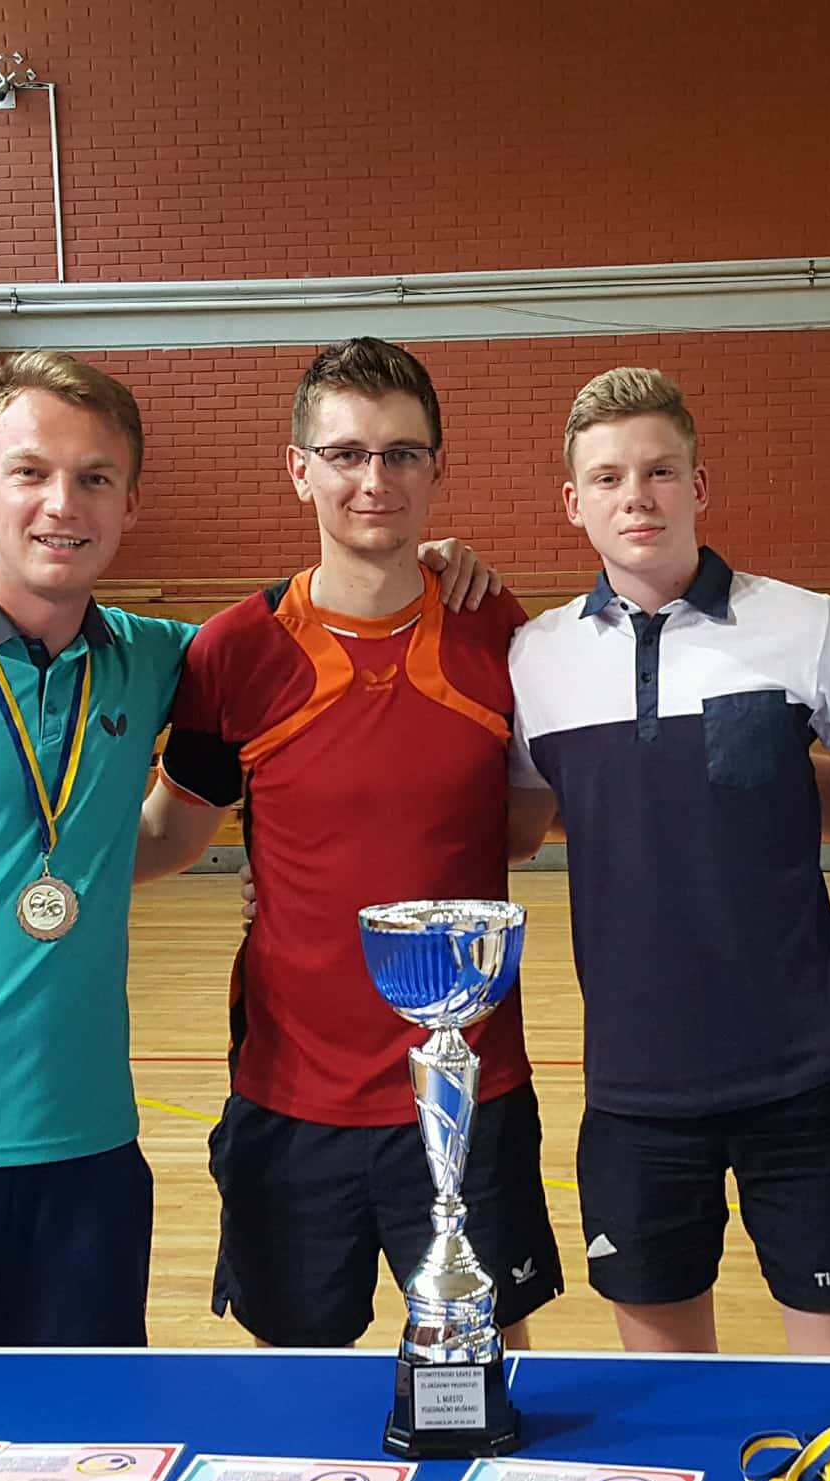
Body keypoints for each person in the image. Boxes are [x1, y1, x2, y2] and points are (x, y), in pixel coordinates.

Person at [0, 347, 496, 1361]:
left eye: (94, 477)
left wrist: (415, 562)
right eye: (32, 472)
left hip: (86, 1156)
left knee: (80, 1450)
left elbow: (290, 661)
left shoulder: (158, 660)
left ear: (129, 502)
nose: (63, 503)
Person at [131, 337, 564, 1350]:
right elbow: (170, 835)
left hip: (469, 1088)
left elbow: (518, 829)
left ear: (436, 469)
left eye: (402, 453)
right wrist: (19, 872)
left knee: (483, 1381)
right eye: (346, 453)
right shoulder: (233, 650)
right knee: (294, 1392)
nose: (375, 479)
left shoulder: (497, 629)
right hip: (291, 1101)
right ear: (300, 468)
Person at [503, 367, 830, 1356]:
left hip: (804, 1074)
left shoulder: (805, 624)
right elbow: (518, 827)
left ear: (698, 484)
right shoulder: (535, 657)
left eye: (659, 471)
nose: (636, 496)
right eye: (608, 478)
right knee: (674, 1399)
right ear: (574, 502)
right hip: (635, 1088)